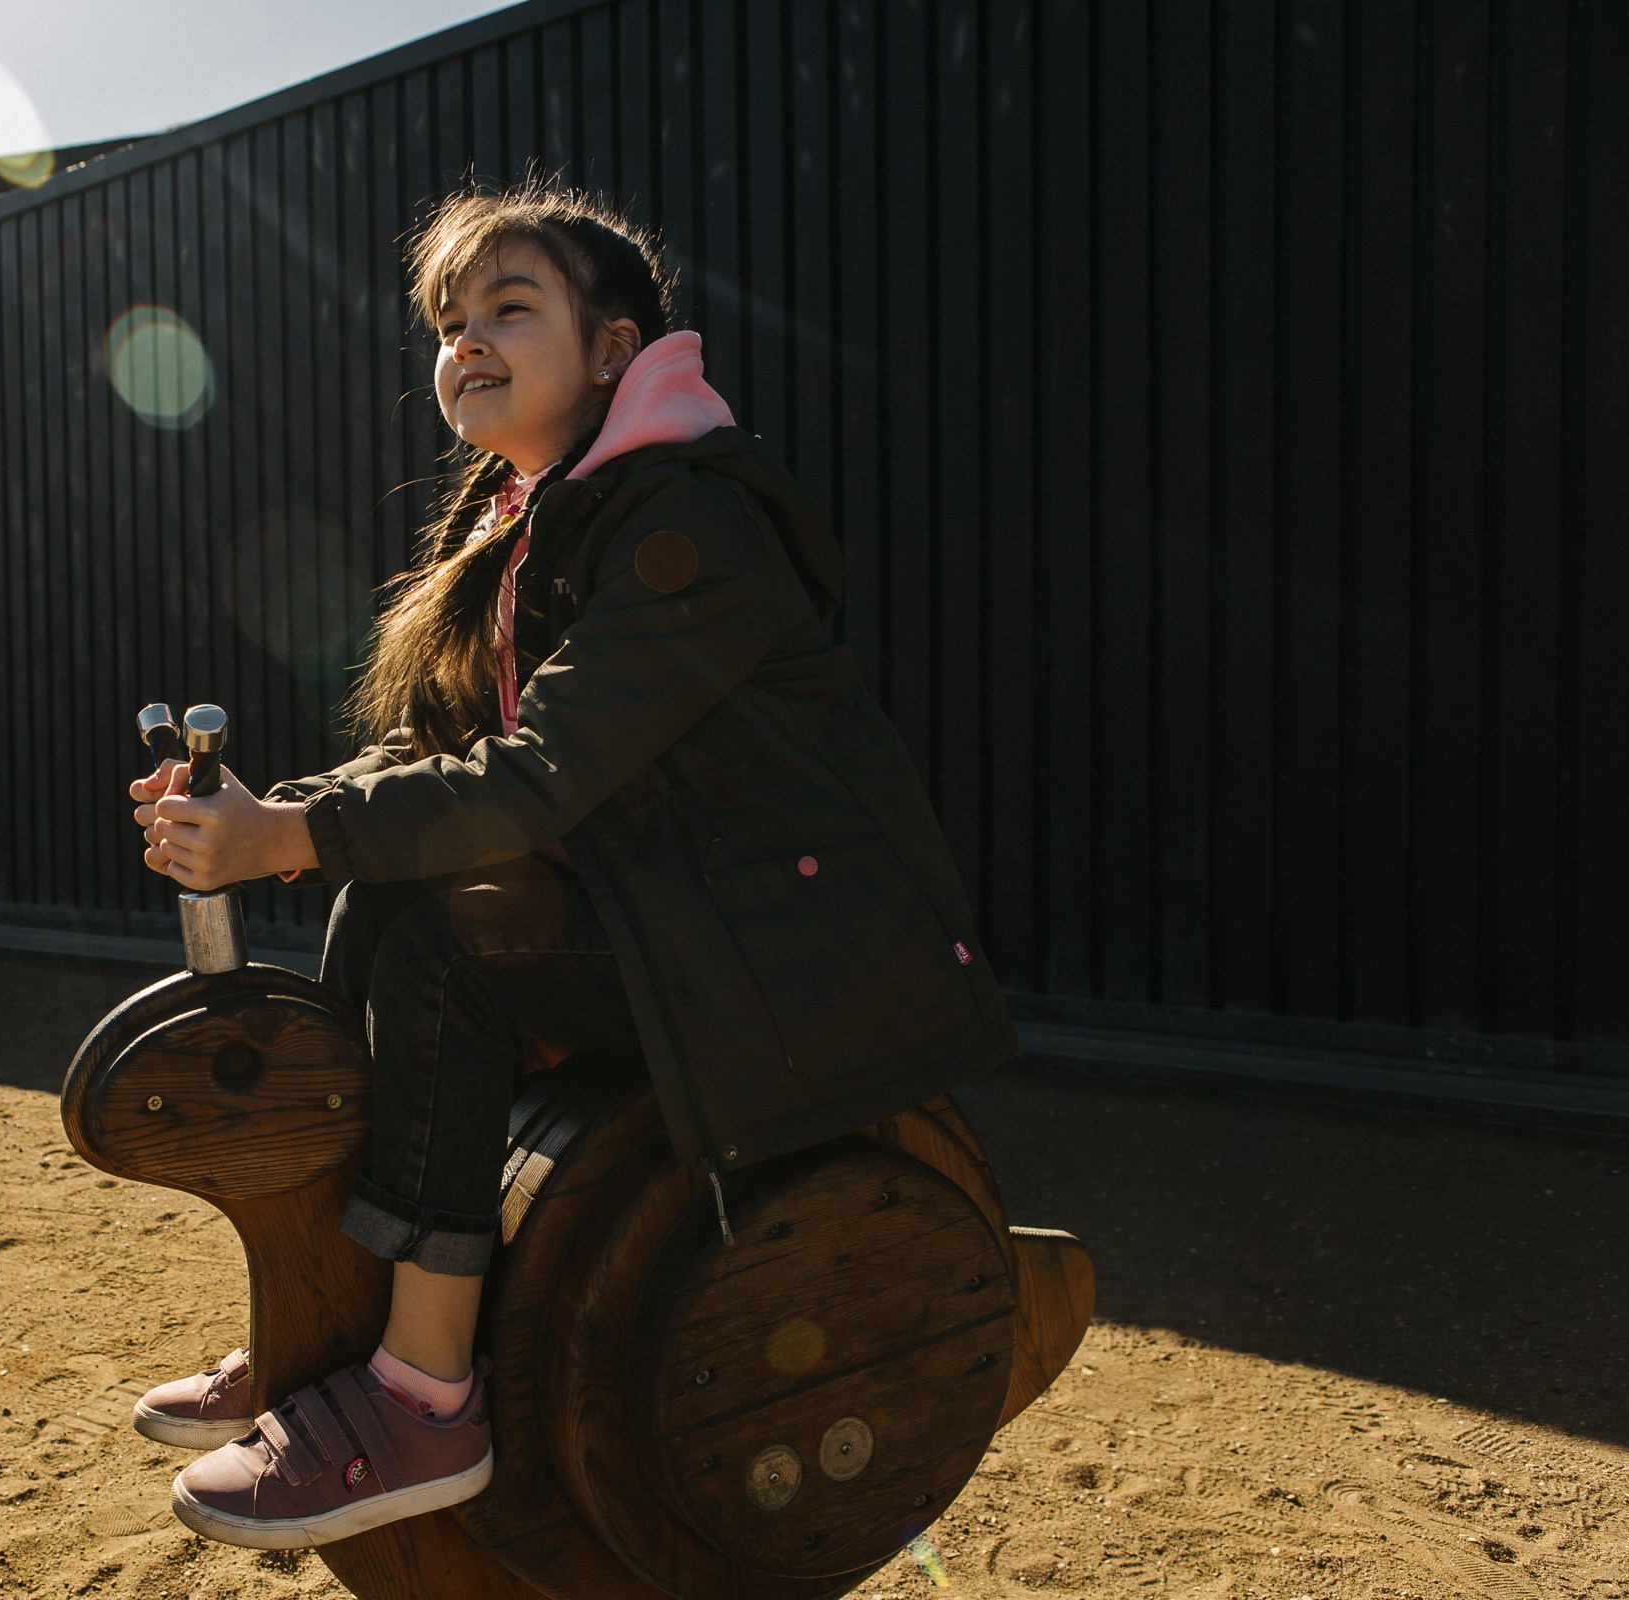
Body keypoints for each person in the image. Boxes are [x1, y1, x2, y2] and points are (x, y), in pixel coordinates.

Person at [119, 178, 1021, 1551]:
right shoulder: (544, 516)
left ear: (614, 348)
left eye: (509, 308)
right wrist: (278, 816)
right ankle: (343, 1322)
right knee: (389, 887)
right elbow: (449, 748)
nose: (465, 343)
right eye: (447, 321)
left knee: (448, 949)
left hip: (794, 957)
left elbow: (539, 780)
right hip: (686, 909)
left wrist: (284, 838)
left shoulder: (680, 527)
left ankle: (428, 1399)